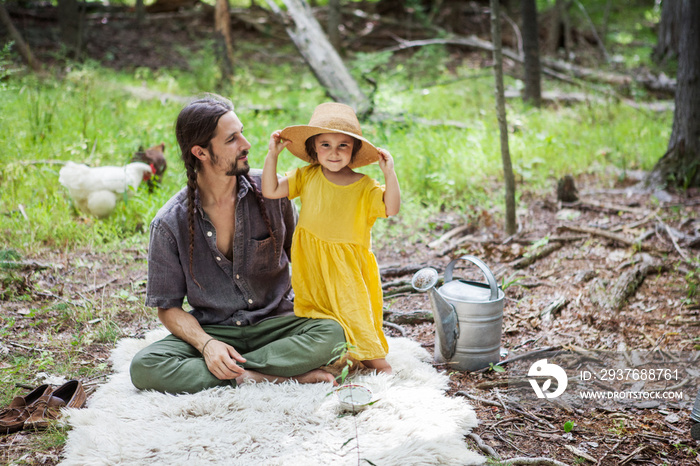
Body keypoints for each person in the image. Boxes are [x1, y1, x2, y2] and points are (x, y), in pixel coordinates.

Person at [129, 94, 345, 394]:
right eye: (232, 139)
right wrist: (207, 346)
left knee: (334, 334)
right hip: (215, 330)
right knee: (145, 367)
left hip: (278, 324)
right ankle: (266, 376)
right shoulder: (169, 223)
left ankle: (238, 373)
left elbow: (306, 258)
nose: (246, 144)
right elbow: (167, 308)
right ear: (201, 152)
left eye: (241, 133)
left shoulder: (272, 192)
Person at [262, 102, 401, 374]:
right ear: (314, 149)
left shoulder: (364, 186)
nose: (334, 153)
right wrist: (272, 156)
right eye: (325, 144)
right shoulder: (307, 176)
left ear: (354, 150)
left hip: (347, 267)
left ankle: (378, 364)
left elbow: (391, 207)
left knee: (354, 313)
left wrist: (389, 173)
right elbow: (271, 189)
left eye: (343, 146)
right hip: (314, 265)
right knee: (322, 314)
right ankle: (336, 355)